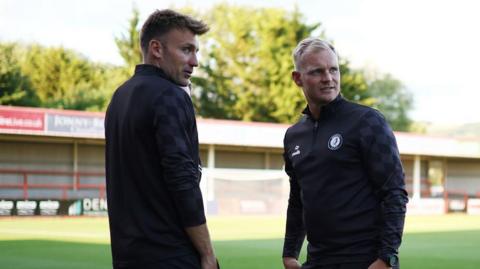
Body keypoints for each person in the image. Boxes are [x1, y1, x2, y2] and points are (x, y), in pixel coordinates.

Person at [282, 37, 409, 269]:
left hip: (365, 261)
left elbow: (394, 193)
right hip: (318, 261)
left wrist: (386, 259)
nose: (328, 78)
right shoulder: (294, 136)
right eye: (317, 71)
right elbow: (298, 199)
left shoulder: (367, 121)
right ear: (298, 78)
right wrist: (289, 254)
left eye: (333, 70)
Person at [105, 9, 218, 269]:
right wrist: (207, 253)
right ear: (157, 48)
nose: (195, 61)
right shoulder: (170, 95)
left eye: (196, 51)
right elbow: (182, 179)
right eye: (187, 50)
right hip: (170, 254)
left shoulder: (119, 98)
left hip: (127, 256)